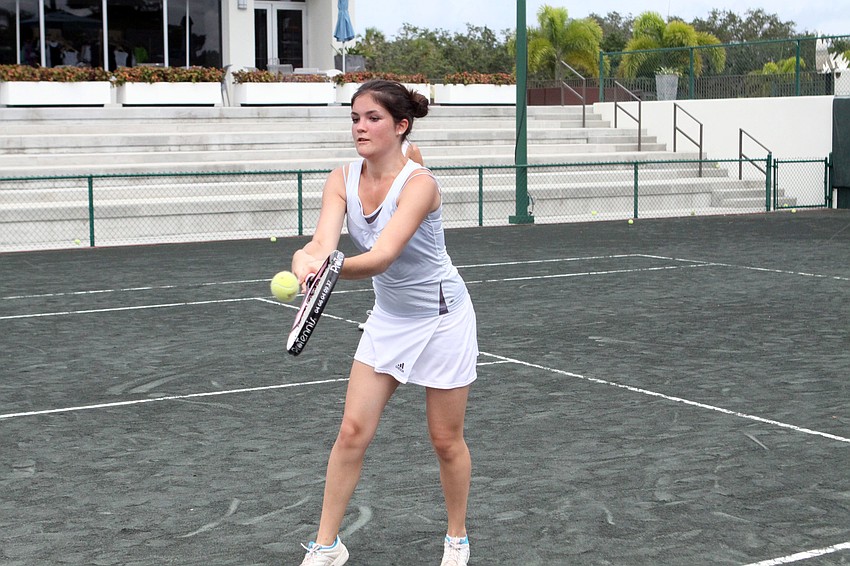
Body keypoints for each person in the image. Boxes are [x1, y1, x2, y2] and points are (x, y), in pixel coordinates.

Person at [291, 79, 478, 566]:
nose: (360, 127)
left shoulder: (420, 185)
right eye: (354, 118)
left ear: (400, 126)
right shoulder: (341, 178)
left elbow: (381, 256)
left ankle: (456, 537)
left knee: (445, 439)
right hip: (389, 317)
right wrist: (304, 258)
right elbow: (322, 244)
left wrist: (329, 270)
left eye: (372, 118)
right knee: (352, 431)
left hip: (442, 317)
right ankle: (327, 546)